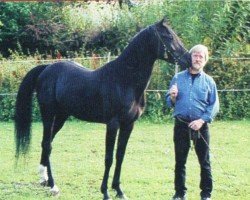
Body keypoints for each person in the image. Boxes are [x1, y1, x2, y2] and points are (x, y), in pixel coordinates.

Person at [166, 44, 219, 200]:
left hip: (201, 127)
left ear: (205, 60)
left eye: (201, 56)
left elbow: (214, 105)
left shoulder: (209, 82)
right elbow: (169, 101)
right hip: (181, 125)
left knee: (204, 161)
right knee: (180, 161)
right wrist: (173, 96)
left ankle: (206, 194)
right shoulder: (178, 78)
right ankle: (179, 193)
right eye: (195, 55)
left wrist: (202, 120)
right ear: (190, 57)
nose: (197, 58)